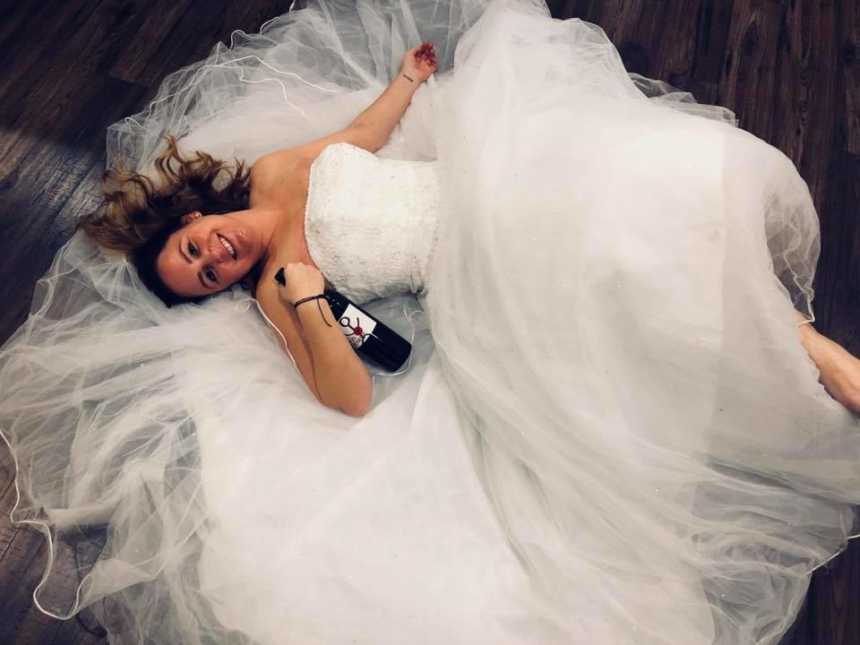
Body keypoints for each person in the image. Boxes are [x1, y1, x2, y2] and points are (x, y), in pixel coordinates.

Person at [2, 1, 860, 643]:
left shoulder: (270, 171)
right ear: (218, 287)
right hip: (478, 271)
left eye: (192, 247)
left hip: (486, 189)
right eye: (204, 275)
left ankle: (788, 338)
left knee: (651, 184)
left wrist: (407, 82)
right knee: (629, 273)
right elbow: (347, 400)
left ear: (190, 218)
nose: (212, 255)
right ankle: (802, 348)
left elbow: (360, 136)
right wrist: (305, 301)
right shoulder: (276, 288)